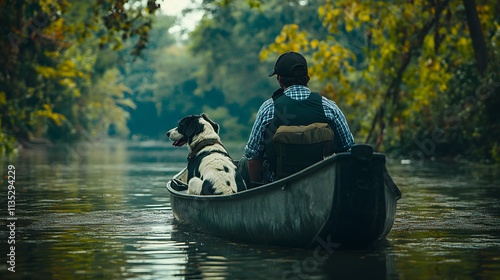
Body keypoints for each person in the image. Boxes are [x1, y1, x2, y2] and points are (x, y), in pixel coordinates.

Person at [239, 51, 355, 187]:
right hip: (323, 184)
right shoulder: (329, 107)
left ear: (279, 79)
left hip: (277, 185)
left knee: (243, 163)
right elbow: (349, 150)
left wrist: (257, 188)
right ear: (307, 78)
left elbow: (253, 156)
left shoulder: (268, 108)